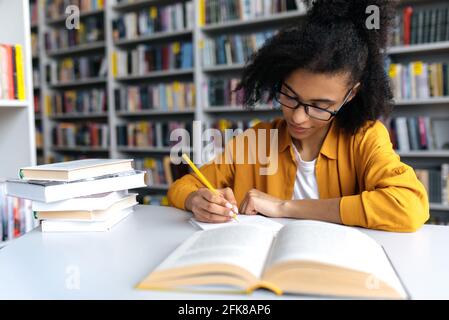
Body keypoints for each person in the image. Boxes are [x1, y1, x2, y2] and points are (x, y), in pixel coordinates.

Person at [167, 0, 429, 232]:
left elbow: (409, 206)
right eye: (290, 96)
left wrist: (286, 207)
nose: (299, 118)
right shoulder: (257, 139)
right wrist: (196, 200)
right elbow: (183, 186)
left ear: (350, 95)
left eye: (320, 106)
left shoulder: (364, 137)